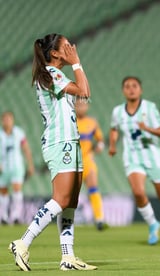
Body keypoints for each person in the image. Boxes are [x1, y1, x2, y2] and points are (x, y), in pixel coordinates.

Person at [8, 33, 96, 271]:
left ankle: (68, 257)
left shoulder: (54, 75)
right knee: (61, 199)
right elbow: (84, 91)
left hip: (70, 140)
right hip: (61, 142)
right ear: (55, 53)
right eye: (66, 46)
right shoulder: (52, 74)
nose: (71, 48)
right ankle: (22, 242)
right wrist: (77, 61)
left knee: (70, 203)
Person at [108, 76, 160, 246]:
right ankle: (153, 224)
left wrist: (147, 128)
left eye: (134, 86)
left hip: (153, 157)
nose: (131, 89)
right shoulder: (118, 111)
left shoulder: (149, 108)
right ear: (123, 91)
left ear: (140, 89)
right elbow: (113, 129)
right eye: (127, 86)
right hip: (133, 157)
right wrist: (112, 145)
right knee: (138, 192)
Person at [75, 101, 107, 230]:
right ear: (74, 106)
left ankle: (99, 219)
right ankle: (68, 220)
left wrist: (100, 146)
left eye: (83, 105)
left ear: (87, 106)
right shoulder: (70, 121)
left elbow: (100, 140)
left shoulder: (92, 122)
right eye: (78, 105)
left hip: (87, 160)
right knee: (70, 193)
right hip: (73, 162)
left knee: (93, 187)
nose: (81, 107)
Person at [0, 111, 35, 225]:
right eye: (5, 119)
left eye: (9, 119)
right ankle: (3, 216)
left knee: (17, 189)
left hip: (16, 166)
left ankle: (16, 216)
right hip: (3, 166)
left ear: (13, 120)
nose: (7, 121)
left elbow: (26, 149)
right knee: (3, 191)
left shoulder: (19, 132)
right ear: (2, 121)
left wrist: (30, 164)